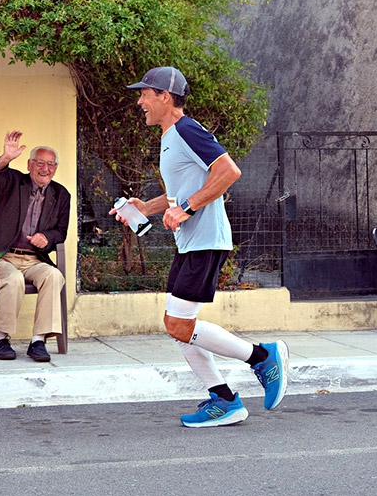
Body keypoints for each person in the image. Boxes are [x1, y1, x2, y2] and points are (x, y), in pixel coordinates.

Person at [116, 66, 288, 428]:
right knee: (176, 324)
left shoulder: (186, 128)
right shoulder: (169, 137)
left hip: (206, 241)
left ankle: (262, 357)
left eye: (145, 94)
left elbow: (228, 171)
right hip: (191, 243)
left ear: (164, 96)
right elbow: (183, 190)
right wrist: (146, 207)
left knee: (179, 324)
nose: (140, 101)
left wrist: (188, 208)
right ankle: (224, 399)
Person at [0, 130, 70, 362]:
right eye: (40, 163)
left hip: (35, 260)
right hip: (4, 259)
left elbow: (61, 232)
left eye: (50, 164)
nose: (45, 169)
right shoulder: (12, 181)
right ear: (29, 164)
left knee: (54, 276)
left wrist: (47, 237)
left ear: (55, 168)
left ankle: (38, 340)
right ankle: (1, 338)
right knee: (13, 278)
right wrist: (5, 158)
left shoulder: (61, 194)